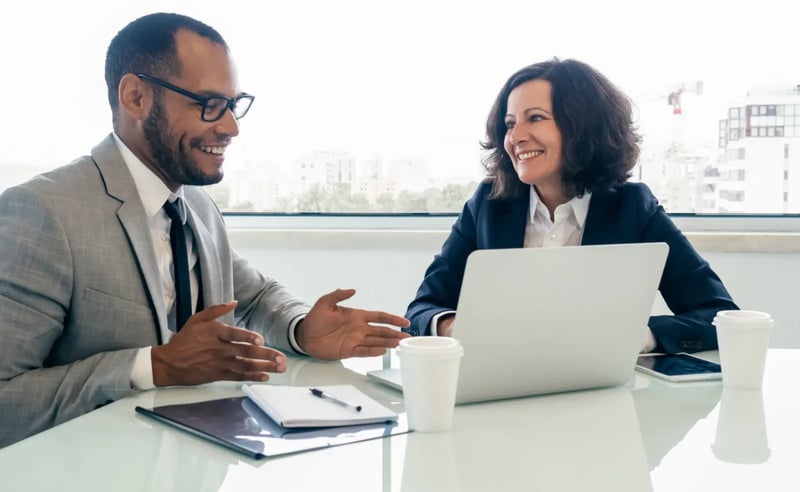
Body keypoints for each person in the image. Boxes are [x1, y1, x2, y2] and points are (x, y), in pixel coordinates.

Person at [0, 12, 409, 448]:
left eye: (233, 105)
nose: (231, 127)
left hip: (197, 465)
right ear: (135, 97)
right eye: (209, 104)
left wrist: (300, 327)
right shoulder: (43, 211)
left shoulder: (194, 203)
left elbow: (252, 297)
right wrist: (153, 366)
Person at [405, 58, 737, 354]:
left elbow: (721, 317)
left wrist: (639, 336)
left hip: (598, 399)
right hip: (498, 391)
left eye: (535, 118)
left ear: (581, 126)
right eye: (509, 124)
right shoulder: (486, 206)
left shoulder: (634, 207)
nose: (516, 136)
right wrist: (452, 325)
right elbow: (422, 308)